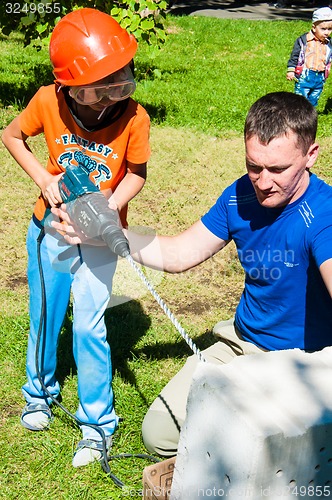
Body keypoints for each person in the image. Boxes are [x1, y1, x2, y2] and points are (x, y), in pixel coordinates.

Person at [51, 91, 332, 458]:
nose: (263, 181)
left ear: (311, 155)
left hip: (303, 362)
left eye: (278, 170)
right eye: (253, 166)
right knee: (159, 435)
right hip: (243, 345)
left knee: (276, 450)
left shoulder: (323, 216)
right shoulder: (240, 196)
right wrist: (104, 235)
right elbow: (180, 253)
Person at [1, 8, 150, 467]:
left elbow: (138, 175)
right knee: (46, 313)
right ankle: (39, 393)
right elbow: (11, 136)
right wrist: (43, 182)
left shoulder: (135, 117)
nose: (116, 88)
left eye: (121, 76)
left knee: (88, 323)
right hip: (51, 229)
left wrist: (110, 206)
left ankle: (97, 424)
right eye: (102, 82)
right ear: (71, 87)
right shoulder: (48, 100)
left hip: (101, 237)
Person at [287, 6, 332, 107]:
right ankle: (298, 116)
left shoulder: (329, 43)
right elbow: (295, 55)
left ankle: (310, 117)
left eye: (330, 29)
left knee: (314, 98)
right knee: (300, 99)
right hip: (305, 75)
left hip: (319, 76)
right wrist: (291, 70)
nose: (327, 32)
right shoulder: (303, 40)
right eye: (323, 29)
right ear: (314, 27)